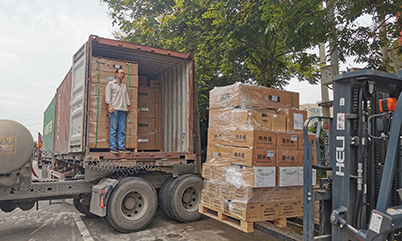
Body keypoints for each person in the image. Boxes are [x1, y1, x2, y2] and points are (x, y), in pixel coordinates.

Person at [105, 68, 131, 154]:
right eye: (121, 73)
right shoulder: (111, 84)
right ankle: (113, 147)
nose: (122, 75)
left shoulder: (124, 85)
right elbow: (107, 95)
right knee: (113, 128)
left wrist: (128, 106)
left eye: (123, 73)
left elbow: (126, 96)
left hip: (123, 109)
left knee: (121, 130)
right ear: (116, 74)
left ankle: (121, 147)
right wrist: (110, 105)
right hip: (115, 109)